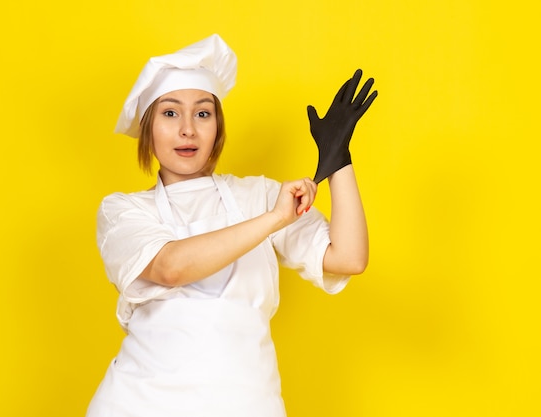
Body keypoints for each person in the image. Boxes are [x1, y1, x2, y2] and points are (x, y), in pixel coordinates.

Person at [86, 34, 377, 417]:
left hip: (248, 402)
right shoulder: (123, 211)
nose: (188, 129)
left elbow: (349, 258)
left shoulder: (257, 195)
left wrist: (338, 160)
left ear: (218, 127)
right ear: (148, 127)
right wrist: (274, 219)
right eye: (170, 113)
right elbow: (171, 267)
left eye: (203, 113)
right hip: (141, 404)